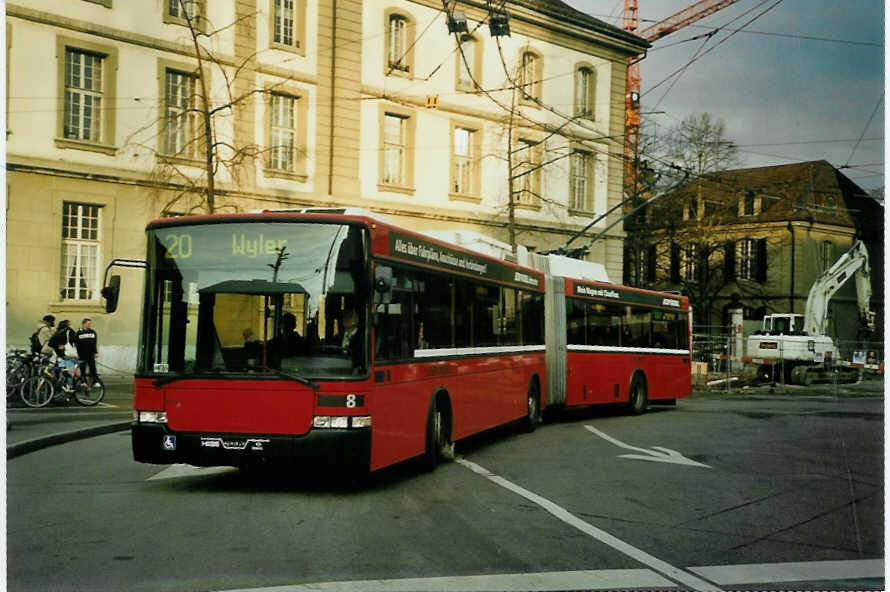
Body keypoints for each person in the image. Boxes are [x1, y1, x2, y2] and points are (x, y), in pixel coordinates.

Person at [75, 318, 100, 385]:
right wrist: (77, 353)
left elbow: (94, 343)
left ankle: (95, 381)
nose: (89, 325)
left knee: (93, 369)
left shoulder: (93, 332)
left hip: (91, 354)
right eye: (88, 323)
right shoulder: (78, 333)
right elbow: (76, 344)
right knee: (82, 369)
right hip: (82, 354)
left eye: (90, 323)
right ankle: (83, 382)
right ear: (84, 324)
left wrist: (95, 352)